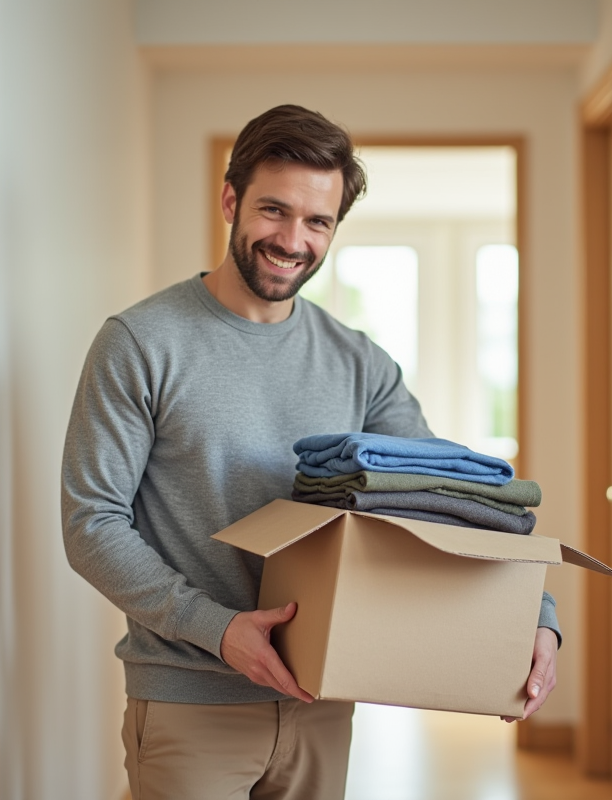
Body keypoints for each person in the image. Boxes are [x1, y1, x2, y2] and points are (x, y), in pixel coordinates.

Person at [61, 104, 561, 800]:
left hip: (323, 697)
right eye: (274, 210)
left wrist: (532, 617)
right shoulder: (142, 343)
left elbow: (448, 500)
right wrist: (220, 629)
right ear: (231, 200)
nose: (292, 239)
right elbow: (92, 524)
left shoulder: (359, 363)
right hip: (192, 697)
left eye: (317, 221)